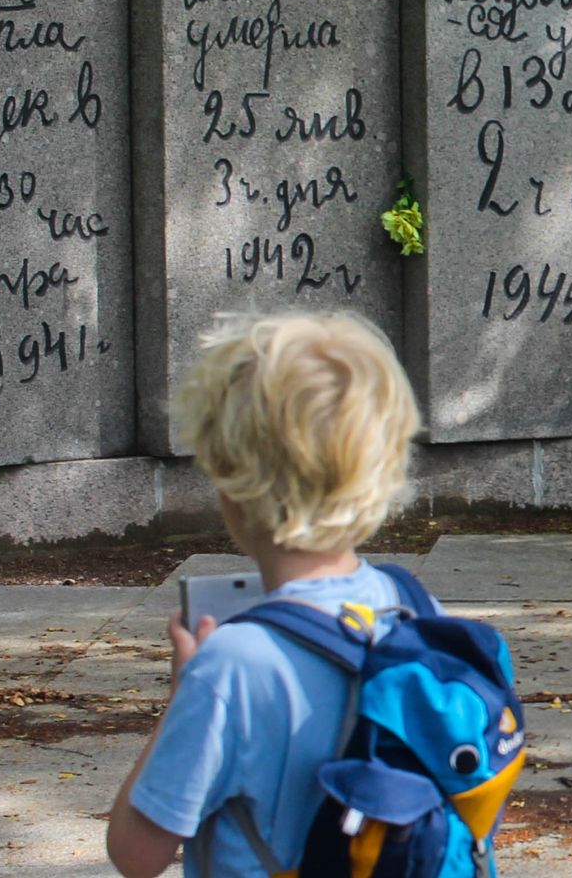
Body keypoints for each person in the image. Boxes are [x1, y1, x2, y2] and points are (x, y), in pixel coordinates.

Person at [108, 311, 423, 878]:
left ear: (231, 484)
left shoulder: (229, 667)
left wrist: (182, 696)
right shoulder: (415, 611)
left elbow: (136, 855)